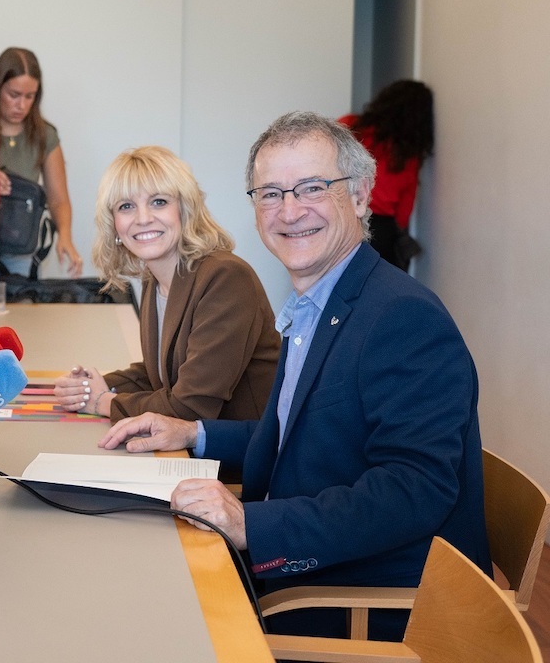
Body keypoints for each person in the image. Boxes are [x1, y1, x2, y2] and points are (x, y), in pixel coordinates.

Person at [99, 112, 489, 641]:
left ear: (359, 197)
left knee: (134, 619)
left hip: (366, 603)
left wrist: (250, 525)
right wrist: (193, 433)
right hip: (310, 566)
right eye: (270, 193)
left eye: (312, 188)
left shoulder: (401, 316)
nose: (289, 211)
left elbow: (414, 490)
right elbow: (290, 437)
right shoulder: (319, 304)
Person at [52, 146, 278, 422]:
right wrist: (88, 386)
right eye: (126, 206)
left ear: (185, 209)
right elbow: (158, 374)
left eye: (158, 202)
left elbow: (190, 406)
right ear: (114, 225)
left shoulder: (226, 278)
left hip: (236, 460)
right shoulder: (155, 277)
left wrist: (103, 402)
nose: (143, 218)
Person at [0, 47, 83, 277]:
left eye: (29, 96)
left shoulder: (45, 135)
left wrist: (65, 237)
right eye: (13, 94)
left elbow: (59, 199)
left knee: (21, 311)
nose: (21, 105)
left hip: (20, 245)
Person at [338, 80, 434, 270]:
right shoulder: (407, 156)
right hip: (381, 232)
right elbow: (403, 213)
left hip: (344, 216)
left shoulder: (350, 126)